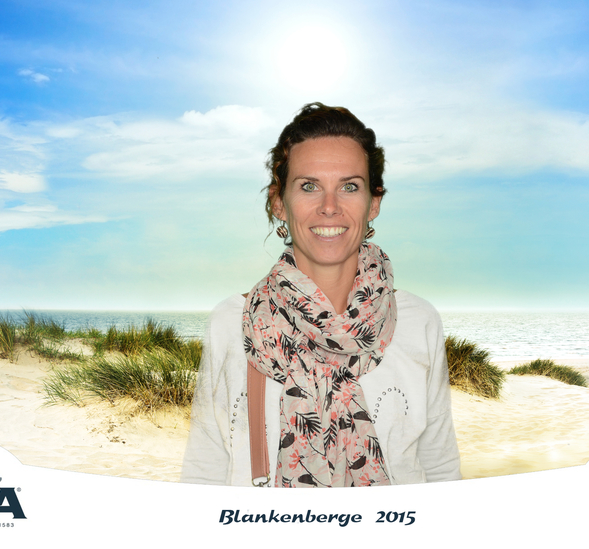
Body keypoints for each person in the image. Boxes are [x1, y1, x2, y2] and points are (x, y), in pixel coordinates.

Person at [181, 103, 460, 487]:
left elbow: (441, 470)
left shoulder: (419, 321)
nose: (329, 207)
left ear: (374, 203)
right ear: (279, 202)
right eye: (309, 186)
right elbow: (204, 473)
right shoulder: (232, 322)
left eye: (349, 186)